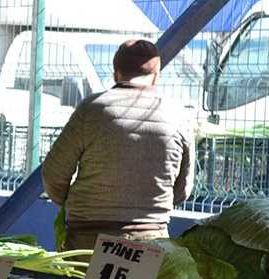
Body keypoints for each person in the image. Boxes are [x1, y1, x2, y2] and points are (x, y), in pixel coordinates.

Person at [41, 39, 194, 251]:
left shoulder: (92, 109)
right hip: (151, 242)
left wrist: (73, 205)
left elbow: (53, 174)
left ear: (116, 72)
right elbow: (183, 189)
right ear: (156, 75)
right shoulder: (177, 116)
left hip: (88, 241)